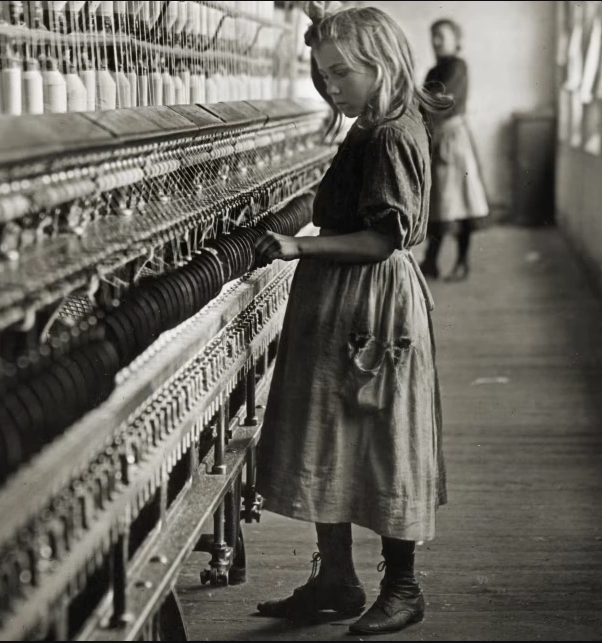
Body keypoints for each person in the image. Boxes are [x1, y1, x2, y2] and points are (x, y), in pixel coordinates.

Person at [250, 2, 449, 635]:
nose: (330, 87)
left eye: (341, 73)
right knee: (328, 432)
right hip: (342, 299)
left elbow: (382, 239)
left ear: (382, 65)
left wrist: (296, 245)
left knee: (384, 438)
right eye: (321, 75)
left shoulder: (390, 133)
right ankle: (335, 579)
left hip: (372, 300)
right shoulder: (369, 125)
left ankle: (404, 587)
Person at [419, 18, 490, 282]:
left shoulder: (458, 67)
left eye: (442, 36)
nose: (436, 41)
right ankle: (431, 261)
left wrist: (417, 102)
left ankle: (461, 262)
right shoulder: (432, 71)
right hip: (437, 139)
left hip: (453, 140)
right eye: (433, 36)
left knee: (460, 202)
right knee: (438, 202)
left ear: (456, 40)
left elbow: (440, 101)